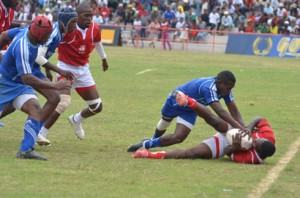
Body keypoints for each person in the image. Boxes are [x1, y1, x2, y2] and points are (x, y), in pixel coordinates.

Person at [0, 8, 79, 146]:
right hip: (28, 71)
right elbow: (38, 57)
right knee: (53, 97)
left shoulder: (55, 33)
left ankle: (34, 135)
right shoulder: (52, 34)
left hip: (31, 69)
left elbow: (6, 35)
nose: (75, 26)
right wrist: (59, 71)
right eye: (73, 22)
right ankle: (35, 133)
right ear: (65, 21)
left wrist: (48, 71)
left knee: (52, 98)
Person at [38, 2, 109, 143]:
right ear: (76, 16)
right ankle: (40, 133)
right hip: (65, 68)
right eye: (86, 16)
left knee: (97, 106)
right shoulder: (67, 28)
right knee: (62, 102)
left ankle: (76, 120)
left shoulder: (94, 27)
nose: (90, 19)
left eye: (91, 16)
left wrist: (104, 58)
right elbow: (48, 47)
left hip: (83, 70)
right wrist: (48, 68)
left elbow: (97, 41)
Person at [127, 71, 249, 152]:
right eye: (228, 88)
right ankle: (152, 139)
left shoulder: (225, 90)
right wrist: (239, 128)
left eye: (231, 89)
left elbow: (234, 110)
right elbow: (220, 112)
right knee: (165, 122)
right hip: (176, 99)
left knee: (178, 138)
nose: (229, 91)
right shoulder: (209, 87)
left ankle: (146, 144)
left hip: (190, 109)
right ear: (219, 83)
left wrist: (243, 127)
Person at [132, 115, 276, 164]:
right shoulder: (268, 137)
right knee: (214, 120)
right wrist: (248, 130)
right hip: (237, 128)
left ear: (257, 150)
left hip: (226, 144)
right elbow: (258, 118)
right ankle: (189, 102)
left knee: (191, 153)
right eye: (257, 139)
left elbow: (226, 152)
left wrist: (235, 147)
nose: (255, 140)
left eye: (255, 143)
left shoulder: (252, 158)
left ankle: (147, 154)